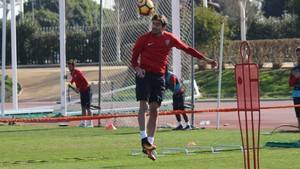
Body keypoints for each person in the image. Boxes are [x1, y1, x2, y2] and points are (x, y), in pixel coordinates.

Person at [131, 14, 217, 160]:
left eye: (158, 24)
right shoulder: (144, 38)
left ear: (164, 27)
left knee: (155, 110)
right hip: (144, 75)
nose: (154, 26)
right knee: (143, 107)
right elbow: (133, 59)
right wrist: (137, 68)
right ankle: (143, 138)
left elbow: (187, 49)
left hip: (159, 77)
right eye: (153, 23)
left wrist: (206, 59)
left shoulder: (169, 38)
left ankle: (149, 145)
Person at [67, 59, 93, 128]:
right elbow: (74, 79)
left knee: (88, 108)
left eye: (70, 66)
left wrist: (79, 88)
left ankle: (90, 123)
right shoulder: (72, 73)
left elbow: (85, 81)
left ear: (73, 66)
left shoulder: (78, 72)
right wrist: (71, 83)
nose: (69, 68)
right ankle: (83, 123)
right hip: (82, 91)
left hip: (87, 90)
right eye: (68, 66)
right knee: (83, 107)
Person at [289, 47, 300, 129]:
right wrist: (296, 78)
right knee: (298, 114)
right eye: (297, 54)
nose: (299, 56)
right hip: (297, 94)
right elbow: (290, 84)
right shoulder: (294, 69)